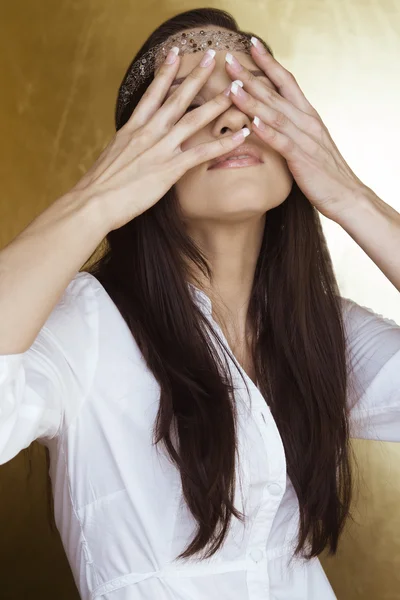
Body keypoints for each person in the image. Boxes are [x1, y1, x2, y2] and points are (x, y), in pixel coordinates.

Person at [1, 7, 399, 600]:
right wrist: (96, 200)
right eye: (190, 106)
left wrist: (352, 195)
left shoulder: (319, 329)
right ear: (141, 154)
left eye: (252, 95)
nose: (230, 119)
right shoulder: (90, 324)